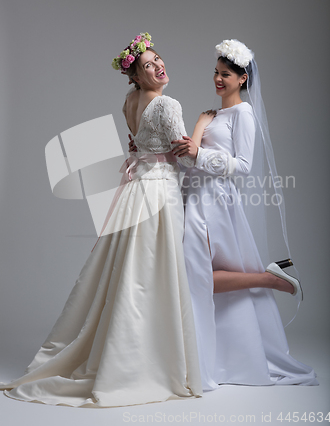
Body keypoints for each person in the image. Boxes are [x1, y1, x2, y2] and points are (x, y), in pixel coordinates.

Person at [0, 33, 202, 407]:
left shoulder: (128, 102)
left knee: (131, 270)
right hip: (159, 192)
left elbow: (139, 145)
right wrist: (203, 130)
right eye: (148, 66)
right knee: (155, 271)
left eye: (158, 60)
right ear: (136, 77)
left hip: (135, 189)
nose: (158, 67)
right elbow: (186, 158)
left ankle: (121, 347)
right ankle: (149, 361)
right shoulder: (168, 104)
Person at [171, 39, 318, 389]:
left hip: (216, 201)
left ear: (242, 79)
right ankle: (266, 280)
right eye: (216, 73)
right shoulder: (213, 115)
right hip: (195, 196)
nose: (218, 80)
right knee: (193, 276)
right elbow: (190, 159)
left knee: (197, 277)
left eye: (226, 74)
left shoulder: (244, 114)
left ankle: (268, 280)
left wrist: (198, 153)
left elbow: (244, 167)